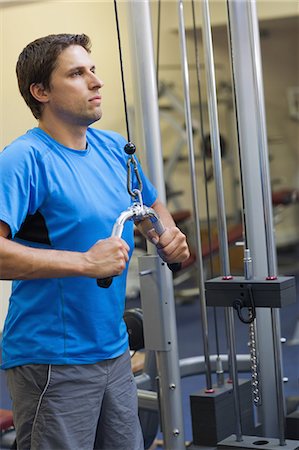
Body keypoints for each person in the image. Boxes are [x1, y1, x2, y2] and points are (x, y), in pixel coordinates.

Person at [0, 33, 190, 450]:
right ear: (41, 92)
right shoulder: (24, 159)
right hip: (52, 358)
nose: (95, 81)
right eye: (76, 73)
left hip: (112, 349)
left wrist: (168, 238)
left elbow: (152, 208)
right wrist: (85, 263)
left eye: (93, 69)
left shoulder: (114, 148)